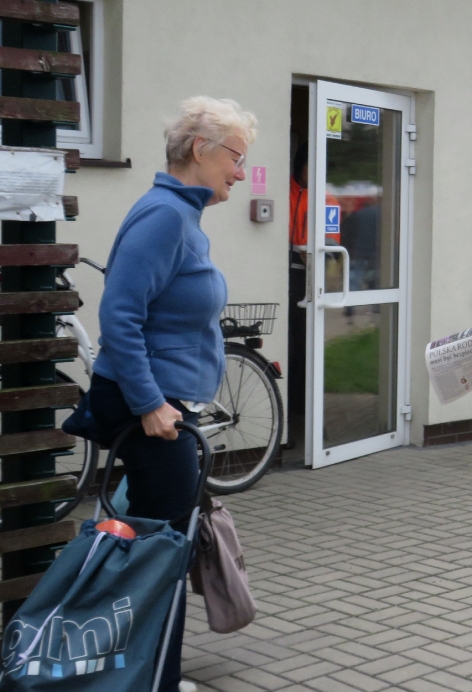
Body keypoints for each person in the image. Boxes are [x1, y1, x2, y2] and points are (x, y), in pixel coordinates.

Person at [88, 96, 257, 692]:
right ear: (200, 150)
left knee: (156, 543)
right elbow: (120, 315)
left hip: (165, 406)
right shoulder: (164, 215)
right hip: (153, 411)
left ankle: (142, 670)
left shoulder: (180, 215)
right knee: (166, 549)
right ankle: (155, 679)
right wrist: (150, 404)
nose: (241, 173)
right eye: (236, 158)